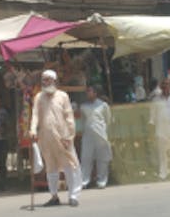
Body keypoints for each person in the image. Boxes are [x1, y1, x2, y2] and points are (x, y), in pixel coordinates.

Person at [29, 70, 82, 207]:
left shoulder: (63, 96)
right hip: (45, 138)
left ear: (54, 81)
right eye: (44, 80)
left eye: (48, 79)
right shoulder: (39, 97)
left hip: (62, 137)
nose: (45, 82)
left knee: (69, 166)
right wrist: (33, 129)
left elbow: (69, 117)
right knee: (51, 168)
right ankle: (54, 196)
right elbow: (35, 115)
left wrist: (69, 136)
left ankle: (73, 196)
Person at [79, 85, 112, 189]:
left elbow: (108, 120)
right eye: (87, 91)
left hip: (100, 134)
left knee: (102, 159)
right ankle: (84, 181)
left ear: (95, 93)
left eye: (90, 91)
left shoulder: (103, 105)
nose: (87, 93)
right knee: (86, 158)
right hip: (88, 135)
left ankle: (101, 181)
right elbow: (83, 121)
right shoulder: (83, 106)